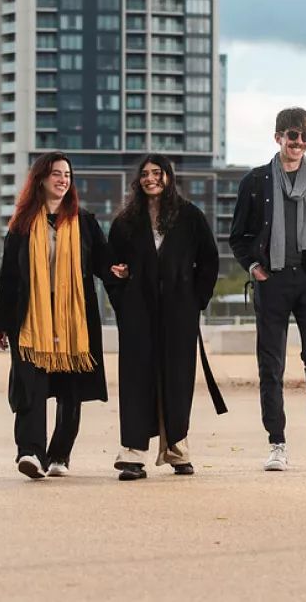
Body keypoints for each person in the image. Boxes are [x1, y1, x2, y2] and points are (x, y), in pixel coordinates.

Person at [229, 107, 306, 471]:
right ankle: (277, 442)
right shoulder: (255, 181)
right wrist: (254, 268)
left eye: (305, 137)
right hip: (272, 280)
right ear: (278, 136)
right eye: (292, 135)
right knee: (271, 366)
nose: (298, 142)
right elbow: (238, 236)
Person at [0, 152, 111, 480]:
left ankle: (59, 454)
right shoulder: (22, 224)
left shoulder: (84, 222)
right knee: (29, 385)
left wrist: (117, 269)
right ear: (41, 179)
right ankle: (30, 452)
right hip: (31, 317)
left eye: (67, 175)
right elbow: (8, 277)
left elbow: (102, 261)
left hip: (73, 317)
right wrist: (1, 322)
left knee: (70, 389)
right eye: (57, 173)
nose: (63, 180)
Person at [107, 155, 222, 481]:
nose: (150, 178)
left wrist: (196, 300)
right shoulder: (126, 221)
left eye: (157, 173)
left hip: (179, 311)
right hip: (137, 312)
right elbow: (111, 265)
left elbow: (209, 260)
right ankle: (132, 454)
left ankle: (177, 450)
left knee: (178, 378)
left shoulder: (190, 216)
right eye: (144, 174)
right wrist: (122, 299)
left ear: (168, 177)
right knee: (135, 379)